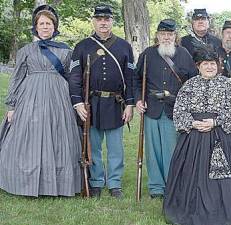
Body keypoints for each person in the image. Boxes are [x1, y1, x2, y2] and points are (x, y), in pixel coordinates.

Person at [163, 46, 231, 225]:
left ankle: (227, 209)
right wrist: (193, 123)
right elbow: (179, 111)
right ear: (198, 66)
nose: (210, 67)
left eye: (213, 64)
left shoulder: (227, 85)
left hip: (222, 136)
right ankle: (191, 208)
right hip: (194, 136)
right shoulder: (189, 85)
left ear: (218, 66)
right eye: (206, 64)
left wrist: (215, 122)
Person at [0, 5, 81, 197]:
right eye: (41, 24)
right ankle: (24, 180)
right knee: (30, 135)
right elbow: (17, 78)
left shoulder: (66, 51)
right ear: (35, 27)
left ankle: (59, 183)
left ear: (55, 27)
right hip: (30, 98)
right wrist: (11, 105)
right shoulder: (26, 50)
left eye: (49, 24)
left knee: (58, 135)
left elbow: (72, 78)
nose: (45, 27)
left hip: (59, 99)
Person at [69, 4, 134, 198]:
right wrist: (78, 102)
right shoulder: (82, 46)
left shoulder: (124, 46)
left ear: (112, 21)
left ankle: (114, 183)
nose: (103, 22)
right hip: (91, 103)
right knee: (93, 146)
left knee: (115, 148)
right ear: (94, 21)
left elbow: (130, 77)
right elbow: (74, 77)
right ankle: (96, 181)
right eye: (99, 19)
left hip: (115, 104)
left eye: (106, 19)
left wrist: (130, 104)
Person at [134, 19, 197, 199]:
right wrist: (139, 99)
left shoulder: (184, 54)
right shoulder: (147, 54)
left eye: (170, 34)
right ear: (158, 35)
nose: (166, 37)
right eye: (163, 34)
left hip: (174, 109)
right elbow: (136, 79)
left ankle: (173, 183)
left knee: (172, 149)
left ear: (175, 36)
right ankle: (156, 187)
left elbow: (192, 82)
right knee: (153, 151)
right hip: (151, 108)